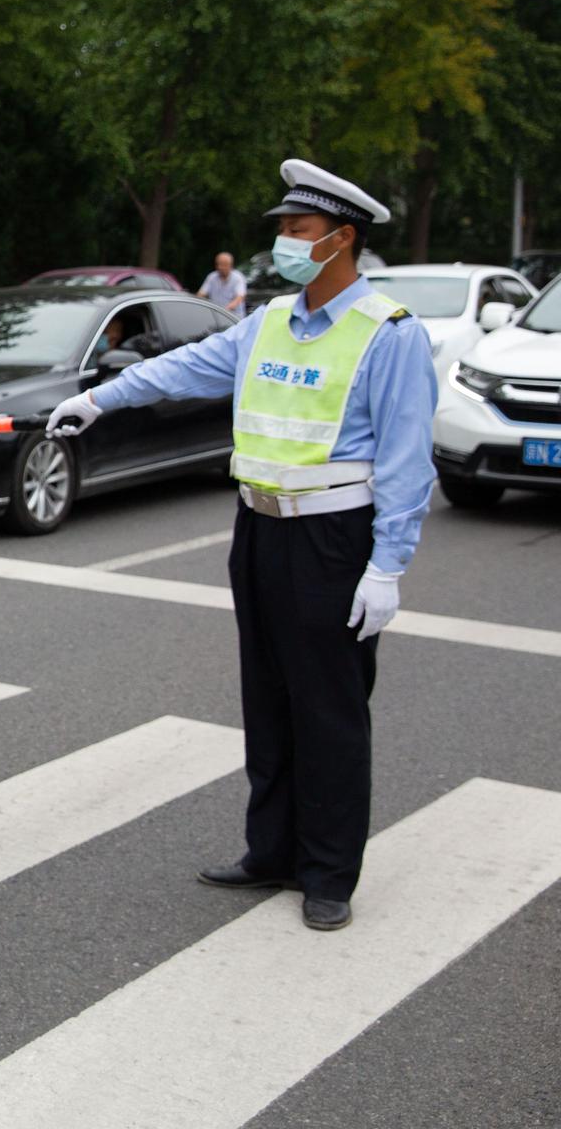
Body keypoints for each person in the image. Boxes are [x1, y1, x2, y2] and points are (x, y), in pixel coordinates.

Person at [48, 159, 436, 933]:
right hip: (257, 527)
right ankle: (272, 851)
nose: (284, 243)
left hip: (333, 536)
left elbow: (406, 460)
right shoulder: (265, 324)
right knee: (270, 697)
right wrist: (98, 399)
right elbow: (185, 367)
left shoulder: (388, 335)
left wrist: (387, 567)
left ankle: (327, 872)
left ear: (342, 238)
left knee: (328, 709)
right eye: (283, 229)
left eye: (298, 230)